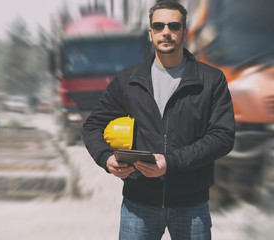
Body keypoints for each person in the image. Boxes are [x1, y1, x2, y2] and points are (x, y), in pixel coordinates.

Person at [82, 1, 235, 239]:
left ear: (184, 33)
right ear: (150, 33)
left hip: (191, 206)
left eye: (174, 25)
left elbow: (223, 137)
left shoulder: (211, 80)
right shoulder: (127, 81)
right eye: (159, 26)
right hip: (138, 205)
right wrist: (106, 158)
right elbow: (92, 126)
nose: (166, 32)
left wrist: (170, 163)